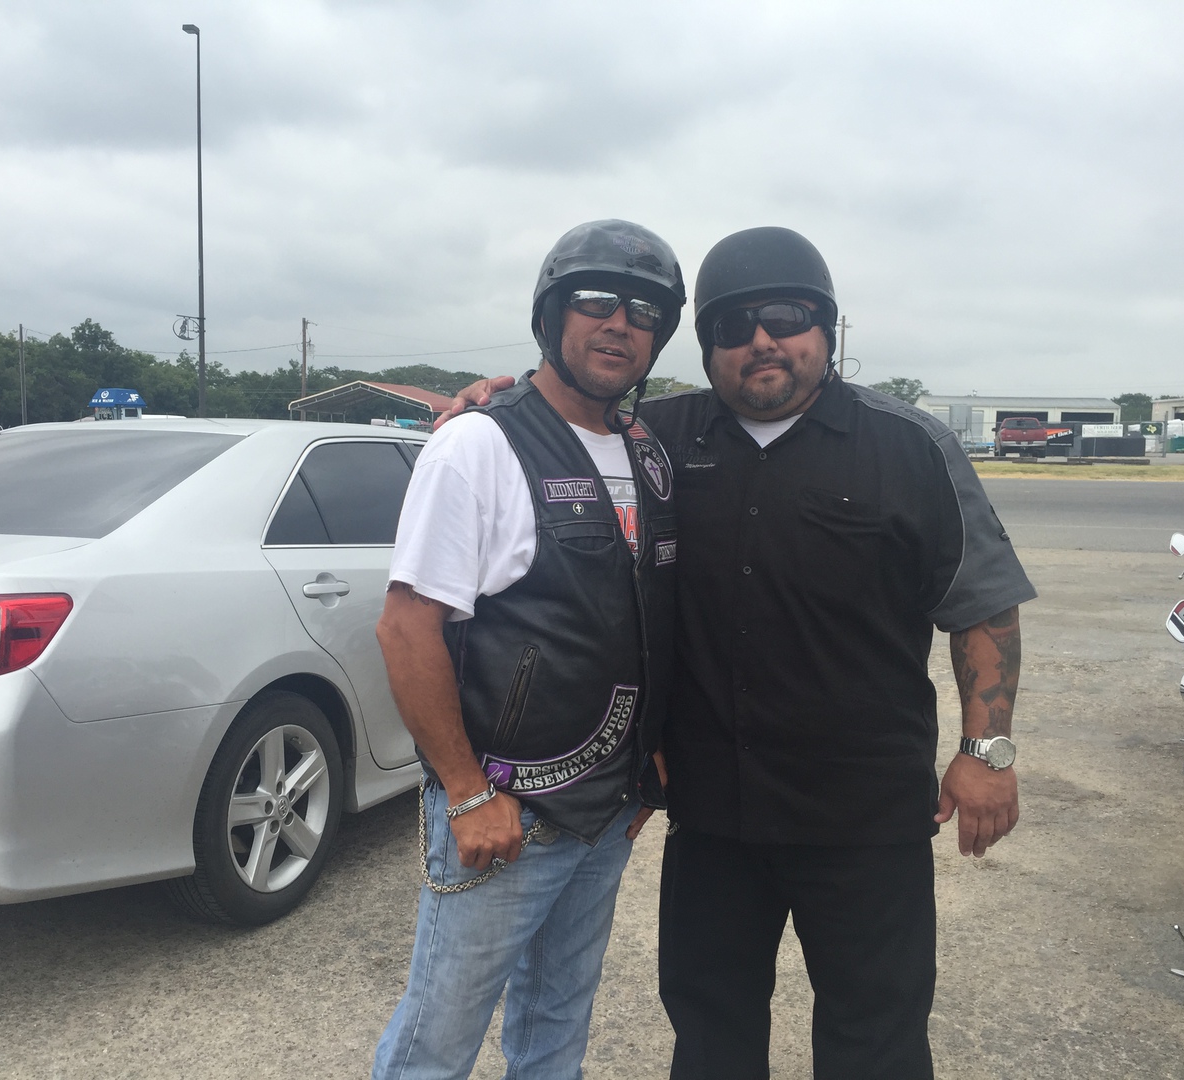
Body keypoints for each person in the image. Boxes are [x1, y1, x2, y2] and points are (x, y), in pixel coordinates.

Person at [442, 226, 1036, 1080]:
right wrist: (490, 406)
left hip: (865, 821)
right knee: (710, 1034)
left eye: (786, 317)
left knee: (876, 1039)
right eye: (732, 325)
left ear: (826, 328)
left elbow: (982, 605)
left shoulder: (909, 447)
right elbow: (556, 418)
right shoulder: (655, 439)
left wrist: (988, 751)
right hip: (713, 817)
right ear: (705, 345)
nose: (762, 340)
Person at [371, 219, 685, 1079]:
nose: (620, 323)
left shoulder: (647, 453)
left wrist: (648, 756)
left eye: (644, 311)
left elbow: (644, 620)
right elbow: (406, 628)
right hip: (508, 812)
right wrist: (468, 793)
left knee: (556, 1029)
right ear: (551, 314)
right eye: (596, 301)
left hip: (608, 810)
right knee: (437, 1043)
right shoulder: (481, 442)